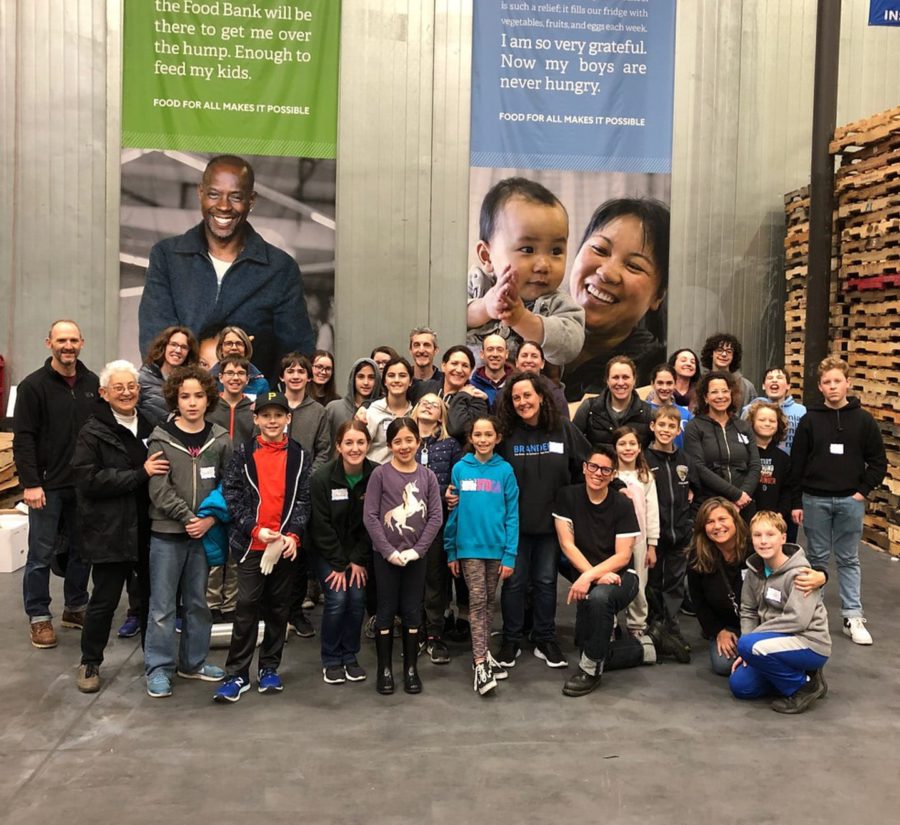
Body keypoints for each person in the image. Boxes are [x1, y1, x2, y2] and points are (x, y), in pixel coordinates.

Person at [138, 154, 315, 381]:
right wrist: (183, 399)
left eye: (235, 197)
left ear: (251, 200)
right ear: (200, 193)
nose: (223, 206)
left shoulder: (280, 269)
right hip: (179, 404)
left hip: (252, 409)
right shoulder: (167, 257)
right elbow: (156, 342)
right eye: (214, 194)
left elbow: (295, 354)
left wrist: (267, 407)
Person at [71, 360, 166, 692]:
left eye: (132, 387)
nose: (126, 393)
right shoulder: (92, 430)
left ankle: (155, 661)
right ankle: (90, 663)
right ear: (104, 393)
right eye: (119, 388)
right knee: (105, 600)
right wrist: (140, 474)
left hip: (148, 527)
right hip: (109, 530)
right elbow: (88, 479)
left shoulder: (152, 424)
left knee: (152, 598)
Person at [214, 391, 311, 702]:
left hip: (284, 547)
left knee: (278, 608)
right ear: (255, 419)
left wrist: (292, 535)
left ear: (288, 418)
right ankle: (237, 674)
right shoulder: (242, 454)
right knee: (246, 607)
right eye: (266, 415)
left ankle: (269, 668)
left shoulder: (299, 455)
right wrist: (254, 529)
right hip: (251, 546)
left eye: (278, 415)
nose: (272, 420)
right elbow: (232, 495)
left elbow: (303, 501)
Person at [144, 365, 232, 698]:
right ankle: (158, 668)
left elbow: (230, 484)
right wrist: (186, 517)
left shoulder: (220, 438)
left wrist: (208, 520)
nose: (192, 403)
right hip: (168, 534)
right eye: (185, 396)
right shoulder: (161, 438)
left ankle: (193, 663)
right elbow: (158, 490)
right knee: (164, 606)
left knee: (198, 603)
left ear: (208, 398)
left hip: (203, 535)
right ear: (175, 400)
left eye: (198, 396)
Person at [495, 371, 591, 669]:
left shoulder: (562, 428)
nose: (523, 402)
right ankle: (511, 640)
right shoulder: (505, 434)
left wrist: (618, 486)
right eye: (517, 398)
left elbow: (586, 464)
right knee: (515, 583)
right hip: (515, 525)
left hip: (553, 525)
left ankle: (544, 638)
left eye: (528, 395)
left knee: (546, 582)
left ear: (540, 396)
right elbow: (484, 465)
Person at [789, 356, 886, 646]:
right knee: (816, 558)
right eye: (827, 382)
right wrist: (796, 501)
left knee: (848, 559)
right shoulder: (810, 419)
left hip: (849, 501)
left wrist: (862, 491)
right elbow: (797, 463)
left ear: (848, 383)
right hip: (815, 499)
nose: (832, 387)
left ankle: (852, 616)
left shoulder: (864, 420)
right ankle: (813, 614)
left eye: (837, 381)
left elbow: (878, 462)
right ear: (820, 387)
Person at [13, 320, 98, 649]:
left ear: (82, 342)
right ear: (48, 342)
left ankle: (75, 607)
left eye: (73, 339)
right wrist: (31, 483)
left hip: (84, 485)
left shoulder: (92, 383)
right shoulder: (33, 386)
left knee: (82, 551)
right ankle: (39, 617)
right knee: (40, 554)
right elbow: (24, 439)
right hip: (47, 487)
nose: (68, 345)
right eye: (61, 339)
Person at [686, 498, 825, 676]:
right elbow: (699, 603)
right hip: (729, 625)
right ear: (703, 528)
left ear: (735, 520)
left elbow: (788, 560)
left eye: (722, 519)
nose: (717, 526)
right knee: (723, 665)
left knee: (752, 662)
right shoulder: (698, 557)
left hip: (767, 622)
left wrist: (822, 575)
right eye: (710, 522)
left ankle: (798, 670)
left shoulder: (756, 547)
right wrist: (717, 631)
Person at [552, 445, 645, 697]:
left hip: (622, 576)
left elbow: (623, 555)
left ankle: (590, 671)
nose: (598, 473)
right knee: (588, 643)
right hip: (595, 573)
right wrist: (593, 575)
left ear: (613, 474)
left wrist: (587, 577)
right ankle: (644, 649)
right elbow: (566, 544)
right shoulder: (567, 496)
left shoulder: (622, 505)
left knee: (600, 597)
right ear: (584, 468)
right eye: (593, 466)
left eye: (605, 469)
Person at [466, 177, 584, 366]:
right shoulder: (476, 284)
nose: (544, 265)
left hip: (531, 393)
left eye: (556, 251)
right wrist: (484, 308)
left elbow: (569, 346)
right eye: (528, 249)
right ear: (487, 257)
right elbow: (448, 318)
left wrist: (523, 319)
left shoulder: (558, 304)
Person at [363, 418, 443, 695]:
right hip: (385, 558)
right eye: (397, 441)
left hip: (415, 558)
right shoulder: (380, 475)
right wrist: (389, 551)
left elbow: (435, 516)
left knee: (411, 610)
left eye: (409, 440)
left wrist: (417, 550)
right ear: (389, 445)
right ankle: (384, 669)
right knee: (385, 610)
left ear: (418, 443)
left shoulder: (427, 477)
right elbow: (371, 516)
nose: (404, 445)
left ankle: (411, 669)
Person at [564, 198, 669, 399]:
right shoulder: (521, 331)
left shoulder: (654, 376)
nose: (607, 273)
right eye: (600, 250)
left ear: (658, 296)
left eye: (634, 266)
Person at [445, 416, 518, 695]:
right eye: (478, 434)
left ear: (497, 438)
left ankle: (485, 653)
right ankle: (479, 664)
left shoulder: (506, 471)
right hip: (469, 549)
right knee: (476, 601)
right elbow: (454, 513)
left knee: (488, 603)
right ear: (471, 438)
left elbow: (512, 515)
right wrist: (451, 549)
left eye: (489, 434)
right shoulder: (461, 469)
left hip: (497, 550)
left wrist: (510, 554)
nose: (484, 439)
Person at [729, 511, 830, 714]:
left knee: (747, 644)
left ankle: (804, 686)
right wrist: (750, 650)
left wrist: (751, 643)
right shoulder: (753, 572)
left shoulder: (801, 574)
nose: (763, 541)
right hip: (774, 642)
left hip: (808, 642)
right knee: (741, 686)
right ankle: (803, 676)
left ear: (783, 538)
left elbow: (798, 620)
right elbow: (748, 609)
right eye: (757, 535)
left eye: (770, 534)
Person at [308, 421, 376, 685]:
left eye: (360, 442)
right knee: (337, 599)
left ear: (368, 445)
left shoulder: (377, 475)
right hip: (327, 552)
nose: (355, 448)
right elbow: (320, 527)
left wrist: (358, 559)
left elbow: (375, 522)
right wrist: (339, 563)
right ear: (338, 446)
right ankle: (331, 658)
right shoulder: (321, 478)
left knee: (357, 598)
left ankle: (350, 655)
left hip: (359, 553)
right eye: (348, 442)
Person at [280, 352, 331, 638]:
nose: (296, 375)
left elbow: (324, 451)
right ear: (282, 376)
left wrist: (305, 481)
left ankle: (296, 612)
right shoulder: (272, 406)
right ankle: (275, 612)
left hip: (304, 493)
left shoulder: (318, 412)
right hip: (274, 494)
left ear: (308, 377)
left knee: (298, 556)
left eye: (301, 371)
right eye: (291, 371)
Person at [411, 393, 463, 664]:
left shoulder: (450, 445)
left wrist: (442, 493)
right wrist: (439, 492)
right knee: (412, 578)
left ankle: (434, 633)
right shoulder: (407, 440)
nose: (429, 405)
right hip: (408, 522)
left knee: (435, 578)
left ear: (442, 415)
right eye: (424, 402)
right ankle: (415, 629)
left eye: (435, 403)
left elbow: (456, 486)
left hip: (437, 521)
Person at [644, 405, 696, 662]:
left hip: (680, 534)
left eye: (671, 427)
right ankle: (654, 627)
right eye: (661, 425)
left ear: (678, 430)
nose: (666, 430)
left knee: (675, 584)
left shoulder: (684, 460)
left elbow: (695, 490)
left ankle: (671, 627)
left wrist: (690, 522)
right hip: (655, 536)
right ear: (653, 427)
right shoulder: (644, 460)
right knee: (653, 583)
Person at [684, 370, 760, 518]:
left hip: (744, 505)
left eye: (725, 391)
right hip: (710, 504)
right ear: (705, 397)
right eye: (714, 392)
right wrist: (735, 495)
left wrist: (742, 498)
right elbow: (698, 467)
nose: (720, 396)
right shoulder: (694, 427)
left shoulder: (743, 426)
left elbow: (755, 465)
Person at [612, 426, 659, 649]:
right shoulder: (610, 476)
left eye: (632, 444)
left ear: (640, 448)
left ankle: (637, 625)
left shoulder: (645, 476)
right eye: (622, 444)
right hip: (614, 541)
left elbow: (652, 512)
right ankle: (609, 624)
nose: (627, 448)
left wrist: (652, 544)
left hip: (640, 540)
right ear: (615, 448)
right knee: (612, 581)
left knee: (639, 584)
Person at [572, 355, 652, 448]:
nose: (621, 383)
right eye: (615, 377)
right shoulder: (589, 408)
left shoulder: (647, 413)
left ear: (634, 380)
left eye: (625, 377)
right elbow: (574, 443)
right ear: (607, 380)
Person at [137, 326, 199, 426]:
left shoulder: (193, 381)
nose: (178, 350)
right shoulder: (142, 378)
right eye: (173, 344)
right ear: (164, 346)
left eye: (184, 347)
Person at [361, 356, 415, 464]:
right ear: (385, 381)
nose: (396, 380)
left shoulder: (415, 413)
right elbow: (361, 446)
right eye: (391, 375)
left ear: (410, 381)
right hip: (375, 473)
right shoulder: (373, 411)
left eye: (402, 376)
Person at [747, 401, 792, 529]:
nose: (767, 424)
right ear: (752, 422)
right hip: (746, 518)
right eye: (762, 420)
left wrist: (780, 513)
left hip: (774, 519)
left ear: (779, 425)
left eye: (772, 421)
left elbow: (787, 489)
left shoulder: (783, 458)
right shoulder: (743, 454)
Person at [742, 366, 806, 452]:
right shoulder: (750, 410)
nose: (774, 380)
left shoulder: (801, 411)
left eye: (779, 378)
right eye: (770, 378)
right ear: (764, 386)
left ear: (788, 386)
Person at [324, 358, 382, 443]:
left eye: (371, 377)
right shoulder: (334, 408)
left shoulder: (382, 409)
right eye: (361, 377)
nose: (366, 382)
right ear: (353, 379)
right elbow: (324, 444)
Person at [206, 354, 255, 449]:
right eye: (230, 373)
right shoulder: (208, 406)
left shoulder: (254, 409)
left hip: (243, 462)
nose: (235, 378)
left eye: (241, 373)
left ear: (247, 379)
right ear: (220, 377)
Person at [209, 326, 269, 398]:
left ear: (246, 349)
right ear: (221, 349)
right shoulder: (208, 381)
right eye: (229, 343)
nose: (234, 347)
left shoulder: (260, 383)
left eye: (239, 343)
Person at [699, 333, 756, 410]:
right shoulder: (699, 383)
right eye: (719, 350)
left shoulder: (747, 387)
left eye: (729, 351)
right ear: (711, 354)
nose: (724, 354)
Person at [514, 339, 569, 419]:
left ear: (542, 363)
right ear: (516, 362)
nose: (529, 360)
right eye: (524, 355)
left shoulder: (554, 393)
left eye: (534, 356)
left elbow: (564, 426)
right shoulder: (507, 390)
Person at [644, 363, 692, 449]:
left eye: (669, 383)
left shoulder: (686, 415)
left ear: (675, 384)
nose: (665, 388)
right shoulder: (642, 410)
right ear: (652, 384)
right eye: (660, 383)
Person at [470, 333, 514, 409]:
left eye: (500, 350)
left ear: (506, 354)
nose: (495, 354)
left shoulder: (515, 384)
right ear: (482, 354)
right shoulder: (472, 387)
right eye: (490, 349)